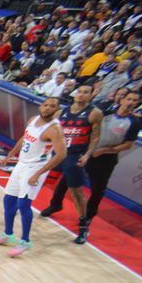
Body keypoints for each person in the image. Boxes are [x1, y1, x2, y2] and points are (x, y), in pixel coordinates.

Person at [0, 96, 66, 257]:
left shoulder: (54, 129)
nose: (47, 108)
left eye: (52, 106)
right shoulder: (33, 119)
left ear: (57, 110)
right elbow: (25, 138)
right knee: (8, 199)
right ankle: (8, 235)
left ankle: (25, 241)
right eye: (45, 105)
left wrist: (38, 173)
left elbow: (61, 154)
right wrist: (10, 154)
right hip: (21, 164)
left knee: (23, 204)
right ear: (41, 106)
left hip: (35, 168)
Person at [77, 88, 142, 245]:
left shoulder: (134, 122)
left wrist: (106, 150)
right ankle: (55, 204)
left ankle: (87, 220)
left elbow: (128, 145)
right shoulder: (104, 112)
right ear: (121, 99)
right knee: (69, 178)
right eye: (129, 99)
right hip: (88, 151)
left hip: (106, 158)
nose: (130, 102)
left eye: (134, 100)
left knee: (98, 190)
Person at [39, 83, 102, 244]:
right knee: (37, 178)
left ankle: (83, 226)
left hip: (75, 155)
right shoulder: (61, 112)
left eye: (85, 92)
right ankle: (46, 205)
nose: (81, 94)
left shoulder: (94, 113)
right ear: (74, 94)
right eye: (79, 91)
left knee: (76, 192)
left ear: (90, 95)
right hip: (58, 152)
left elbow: (95, 137)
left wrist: (88, 155)